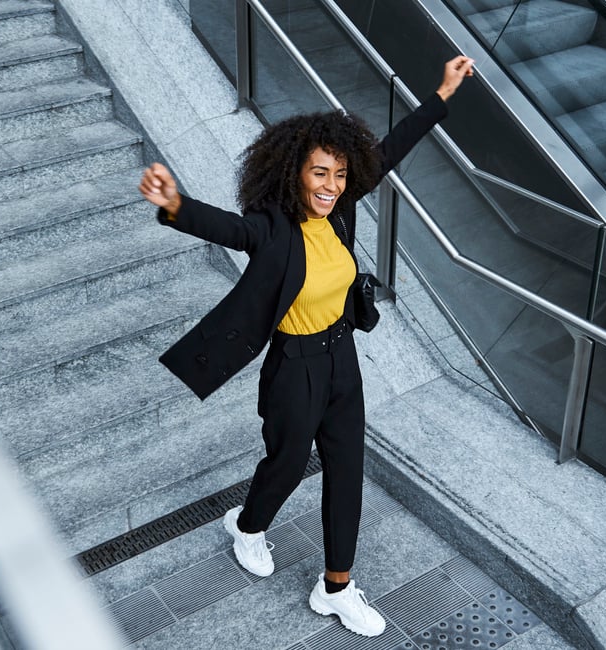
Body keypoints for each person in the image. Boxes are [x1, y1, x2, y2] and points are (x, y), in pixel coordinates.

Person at [138, 55, 474, 638]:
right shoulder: (269, 228)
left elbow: (388, 152)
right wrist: (174, 205)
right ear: (295, 172)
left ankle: (336, 586)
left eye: (340, 175)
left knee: (347, 469)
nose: (332, 186)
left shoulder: (339, 211)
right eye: (321, 173)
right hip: (293, 367)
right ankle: (246, 525)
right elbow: (227, 228)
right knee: (289, 464)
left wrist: (441, 95)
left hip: (342, 360)